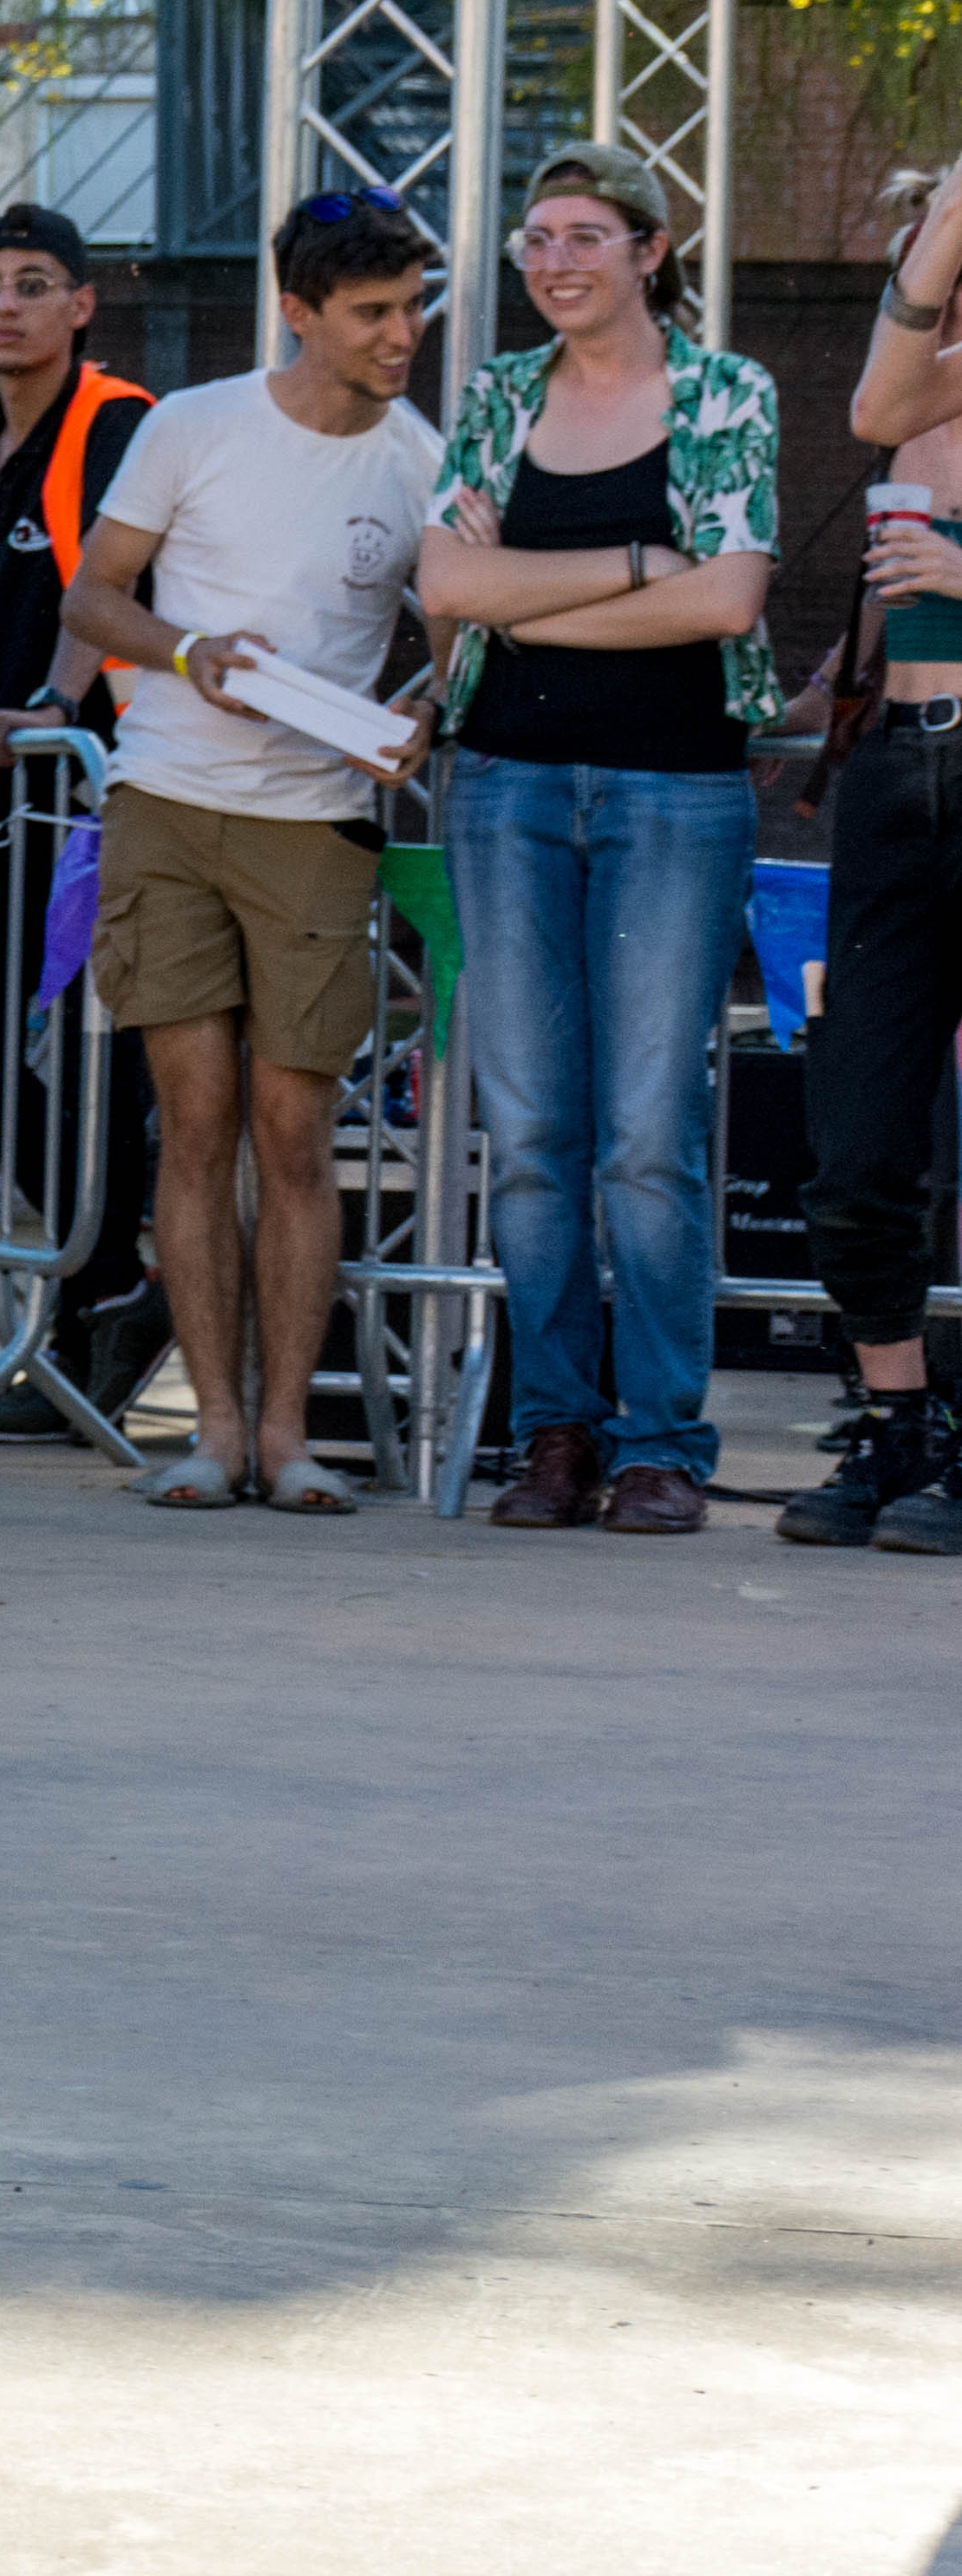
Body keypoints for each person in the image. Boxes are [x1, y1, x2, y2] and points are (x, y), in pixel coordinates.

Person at [57, 193, 445, 1513]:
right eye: (375, 313)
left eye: (413, 307)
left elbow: (462, 635)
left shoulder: (422, 458)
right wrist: (186, 651)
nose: (405, 336)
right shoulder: (192, 425)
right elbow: (91, 595)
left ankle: (288, 1439)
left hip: (320, 820)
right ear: (298, 311)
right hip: (167, 797)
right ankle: (214, 1432)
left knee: (294, 1130)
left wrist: (427, 712)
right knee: (196, 1120)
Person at [420, 145, 780, 1534]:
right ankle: (553, 1430)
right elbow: (448, 584)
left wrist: (530, 597)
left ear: (650, 248)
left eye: (583, 236)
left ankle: (664, 1446)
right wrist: (640, 565)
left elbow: (731, 603)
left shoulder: (725, 390)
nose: (554, 261)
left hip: (675, 791)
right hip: (506, 784)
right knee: (531, 1133)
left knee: (647, 1137)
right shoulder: (500, 395)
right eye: (534, 240)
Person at [0, 209, 172, 1439]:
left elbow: (104, 584)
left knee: (94, 1050)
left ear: (81, 305)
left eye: (32, 285)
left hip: (98, 776)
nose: (3, 305)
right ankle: (109, 1274)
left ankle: (101, 1296)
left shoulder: (118, 418)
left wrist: (63, 704)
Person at [775, 174, 962, 1551]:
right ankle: (899, 1426)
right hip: (904, 773)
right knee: (855, 1142)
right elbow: (876, 411)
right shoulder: (934, 381)